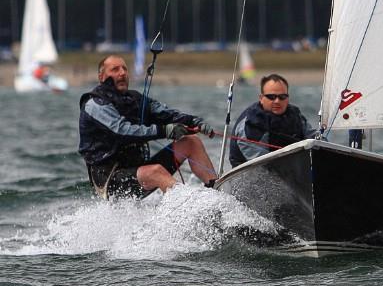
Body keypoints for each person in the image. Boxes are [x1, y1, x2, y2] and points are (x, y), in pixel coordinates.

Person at [79, 55, 217, 200]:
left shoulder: (135, 99)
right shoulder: (94, 104)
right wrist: (164, 131)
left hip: (140, 171)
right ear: (101, 77)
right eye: (115, 69)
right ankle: (189, 206)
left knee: (191, 142)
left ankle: (218, 193)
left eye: (125, 69)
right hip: (110, 181)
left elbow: (166, 114)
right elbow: (122, 131)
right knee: (155, 171)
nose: (122, 73)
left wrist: (194, 121)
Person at [229, 73, 318, 168]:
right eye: (271, 97)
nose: (277, 101)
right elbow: (261, 163)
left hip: (293, 171)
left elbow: (312, 137)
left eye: (282, 97)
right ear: (261, 98)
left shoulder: (296, 115)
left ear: (288, 98)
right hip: (251, 173)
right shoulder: (250, 124)